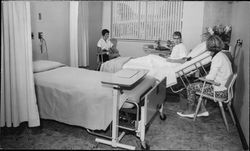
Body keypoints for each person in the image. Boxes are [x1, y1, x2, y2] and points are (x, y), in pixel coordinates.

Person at [177, 35, 233, 118]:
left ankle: (189, 111)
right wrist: (203, 78)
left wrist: (201, 78)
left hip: (219, 92)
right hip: (224, 89)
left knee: (190, 87)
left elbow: (210, 78)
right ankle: (203, 110)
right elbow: (214, 74)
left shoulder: (216, 58)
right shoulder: (222, 55)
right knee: (198, 84)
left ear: (209, 46)